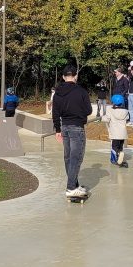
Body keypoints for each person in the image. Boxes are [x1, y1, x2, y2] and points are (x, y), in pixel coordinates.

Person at [51, 65, 93, 198]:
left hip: (64, 127)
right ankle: (70, 188)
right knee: (76, 157)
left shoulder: (57, 93)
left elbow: (55, 113)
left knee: (68, 157)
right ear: (75, 76)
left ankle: (74, 184)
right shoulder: (81, 91)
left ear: (63, 77)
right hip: (77, 127)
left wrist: (57, 129)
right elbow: (88, 110)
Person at [105, 93, 130, 167]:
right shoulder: (126, 112)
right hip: (122, 134)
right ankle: (120, 153)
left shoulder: (111, 111)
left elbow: (106, 118)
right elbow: (127, 119)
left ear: (113, 102)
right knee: (120, 146)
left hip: (115, 133)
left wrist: (103, 117)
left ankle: (114, 159)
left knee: (114, 147)